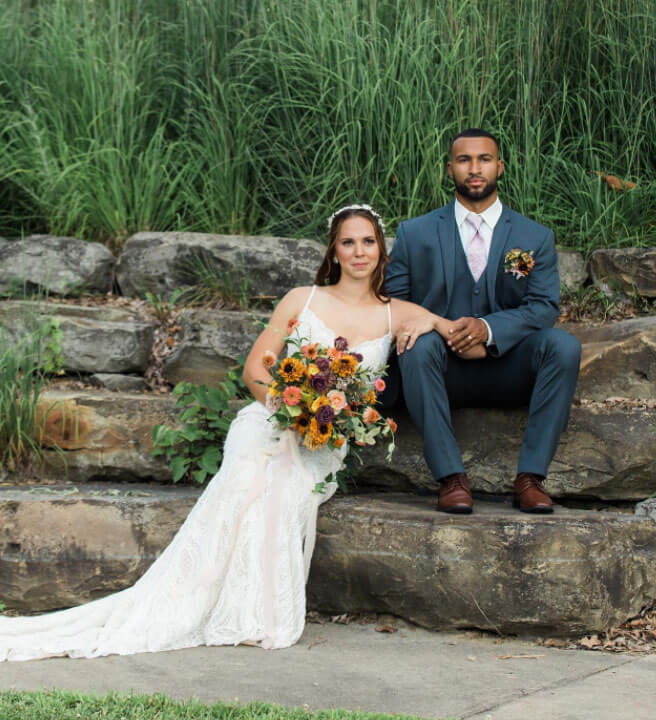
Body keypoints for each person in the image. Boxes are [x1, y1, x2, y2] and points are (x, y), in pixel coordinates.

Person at [0, 204, 471, 661]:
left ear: (381, 250)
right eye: (348, 242)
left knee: (286, 490)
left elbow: (458, 334)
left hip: (323, 442)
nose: (359, 251)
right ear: (334, 251)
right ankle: (197, 603)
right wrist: (293, 413)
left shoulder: (396, 313)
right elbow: (254, 371)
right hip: (271, 420)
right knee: (246, 481)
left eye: (368, 241)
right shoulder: (301, 300)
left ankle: (257, 613)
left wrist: (428, 322)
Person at [385, 128, 581, 515]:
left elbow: (543, 307)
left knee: (563, 346)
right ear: (449, 169)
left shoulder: (533, 236)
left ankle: (530, 479)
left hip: (508, 368)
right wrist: (436, 324)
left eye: (484, 159)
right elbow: (393, 303)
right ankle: (451, 478)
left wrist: (488, 329)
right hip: (437, 371)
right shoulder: (415, 233)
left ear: (500, 167)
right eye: (464, 160)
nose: (474, 169)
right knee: (415, 343)